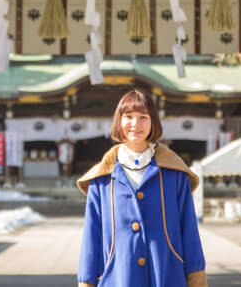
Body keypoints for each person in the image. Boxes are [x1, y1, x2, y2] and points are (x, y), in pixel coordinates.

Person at [76, 89, 207, 287]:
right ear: (118, 121)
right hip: (117, 279)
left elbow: (189, 232)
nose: (135, 124)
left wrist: (197, 281)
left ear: (153, 122)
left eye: (143, 117)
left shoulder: (175, 174)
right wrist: (86, 283)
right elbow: (91, 239)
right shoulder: (101, 180)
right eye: (128, 116)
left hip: (167, 277)